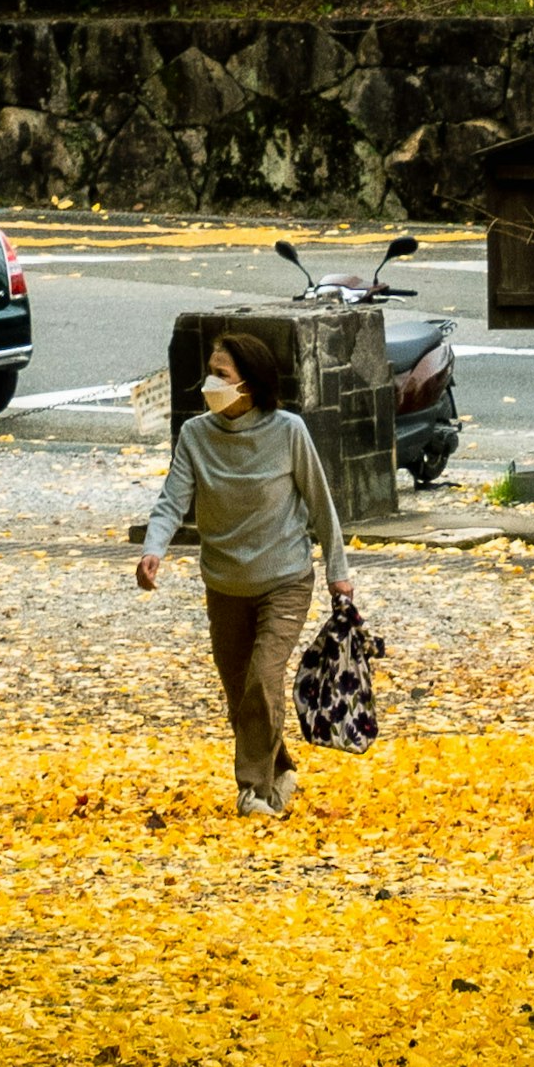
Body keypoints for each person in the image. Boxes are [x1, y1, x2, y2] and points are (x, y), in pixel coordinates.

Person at [136, 333, 354, 818]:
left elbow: (321, 503)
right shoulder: (196, 435)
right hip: (225, 583)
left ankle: (252, 790)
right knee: (241, 696)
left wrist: (339, 572)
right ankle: (280, 768)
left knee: (263, 677)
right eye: (210, 372)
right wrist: (154, 550)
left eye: (224, 375)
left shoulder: (289, 431)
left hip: (286, 579)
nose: (212, 383)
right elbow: (172, 500)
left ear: (251, 385)